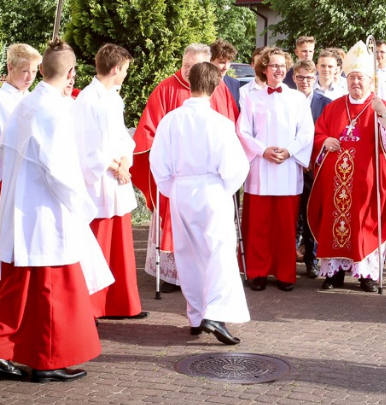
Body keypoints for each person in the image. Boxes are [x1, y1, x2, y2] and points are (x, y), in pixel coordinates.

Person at [0, 40, 113, 383]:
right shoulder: (53, 111)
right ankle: (44, 361)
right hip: (45, 214)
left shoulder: (28, 104)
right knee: (51, 291)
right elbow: (61, 172)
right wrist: (83, 205)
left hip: (23, 210)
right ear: (70, 73)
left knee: (24, 289)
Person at [150, 62, 250, 345]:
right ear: (216, 86)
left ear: (189, 82)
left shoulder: (170, 121)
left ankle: (195, 316)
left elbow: (158, 163)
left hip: (181, 189)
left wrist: (173, 189)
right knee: (219, 252)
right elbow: (236, 168)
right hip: (211, 188)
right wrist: (222, 190)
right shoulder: (220, 123)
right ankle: (214, 313)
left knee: (188, 254)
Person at [308, 41, 386, 292]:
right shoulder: (334, 106)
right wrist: (324, 141)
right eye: (351, 77)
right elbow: (318, 134)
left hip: (368, 181)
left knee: (366, 225)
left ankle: (367, 275)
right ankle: (335, 274)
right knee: (335, 223)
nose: (355, 82)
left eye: (360, 78)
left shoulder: (379, 106)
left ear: (371, 81)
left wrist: (384, 116)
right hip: (336, 184)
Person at [73, 43, 146, 320]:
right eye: (125, 69)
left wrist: (126, 161)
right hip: (100, 181)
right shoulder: (87, 99)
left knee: (121, 246)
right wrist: (115, 166)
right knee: (99, 243)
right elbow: (86, 145)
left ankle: (122, 303)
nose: (126, 74)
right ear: (115, 69)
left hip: (117, 178)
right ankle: (93, 306)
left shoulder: (114, 98)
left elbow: (122, 136)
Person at [132, 43, 212, 288]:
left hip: (207, 178)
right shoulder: (166, 88)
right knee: (173, 223)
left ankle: (204, 273)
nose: (188, 71)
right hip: (175, 175)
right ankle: (171, 275)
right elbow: (148, 132)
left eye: (194, 66)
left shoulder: (216, 90)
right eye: (186, 65)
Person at [237, 48, 314, 291]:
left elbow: (306, 132)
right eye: (274, 65)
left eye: (282, 65)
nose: (279, 70)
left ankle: (284, 273)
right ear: (264, 69)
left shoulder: (298, 99)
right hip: (260, 169)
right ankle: (257, 272)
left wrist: (290, 151)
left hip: (287, 170)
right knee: (258, 225)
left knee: (284, 226)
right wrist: (263, 151)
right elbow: (243, 132)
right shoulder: (252, 98)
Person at [0, 43, 40, 313]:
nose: (30, 77)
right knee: (2, 248)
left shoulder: (28, 97)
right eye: (25, 71)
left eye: (34, 71)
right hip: (4, 183)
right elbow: (15, 142)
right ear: (10, 67)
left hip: (23, 183)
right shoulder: (1, 101)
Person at [292, 59, 330, 278]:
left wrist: (311, 160)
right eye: (300, 77)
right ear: (294, 77)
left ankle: (311, 260)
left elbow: (324, 135)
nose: (304, 81)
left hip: (314, 168)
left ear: (315, 78)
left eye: (308, 77)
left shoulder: (325, 103)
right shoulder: (286, 100)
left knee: (311, 214)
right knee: (290, 214)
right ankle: (288, 256)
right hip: (290, 165)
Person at [208, 38, 241, 121]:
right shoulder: (202, 82)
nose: (226, 67)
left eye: (229, 63)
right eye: (222, 62)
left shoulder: (234, 83)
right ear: (210, 61)